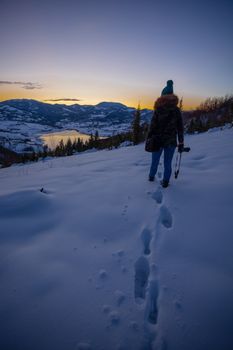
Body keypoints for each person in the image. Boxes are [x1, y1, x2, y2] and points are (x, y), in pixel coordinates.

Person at [147, 81, 184, 188]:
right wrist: (181, 141)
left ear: (162, 96)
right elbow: (180, 128)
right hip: (171, 141)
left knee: (155, 161)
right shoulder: (176, 110)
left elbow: (152, 126)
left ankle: (151, 177)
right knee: (168, 163)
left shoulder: (158, 109)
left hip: (157, 140)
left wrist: (149, 138)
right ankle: (166, 182)